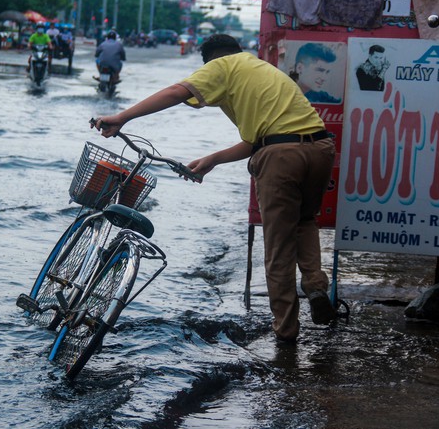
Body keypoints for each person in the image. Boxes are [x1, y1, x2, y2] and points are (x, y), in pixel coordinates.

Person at [92, 34, 337, 343]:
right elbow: (260, 138)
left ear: (210, 60)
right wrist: (214, 159)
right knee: (304, 221)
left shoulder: (221, 66)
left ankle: (286, 333)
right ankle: (315, 286)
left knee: (278, 249)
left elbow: (175, 92)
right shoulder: (262, 69)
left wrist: (122, 117)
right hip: (320, 148)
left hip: (282, 157)